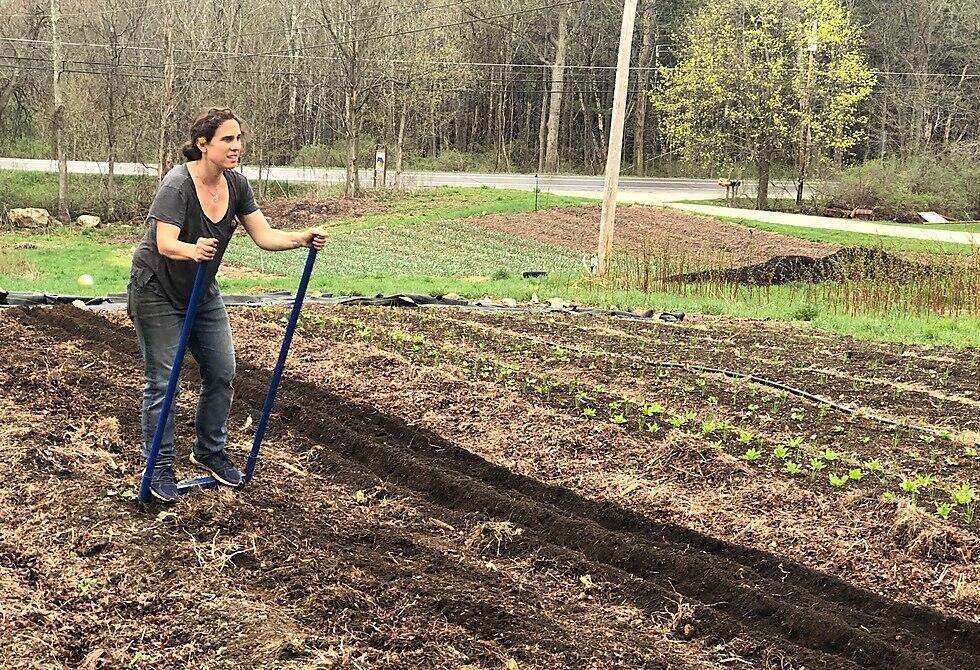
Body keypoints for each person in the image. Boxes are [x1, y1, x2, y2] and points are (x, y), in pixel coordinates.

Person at [128, 107, 327, 502]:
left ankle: (209, 452)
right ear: (203, 145)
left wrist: (302, 238)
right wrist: (193, 247)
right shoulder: (177, 185)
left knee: (222, 370)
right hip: (156, 290)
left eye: (238, 138)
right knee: (164, 381)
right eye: (227, 139)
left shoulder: (237, 185)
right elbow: (166, 243)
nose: (236, 146)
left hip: (202, 292)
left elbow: (264, 235)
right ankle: (161, 466)